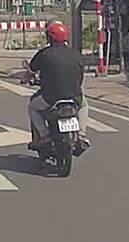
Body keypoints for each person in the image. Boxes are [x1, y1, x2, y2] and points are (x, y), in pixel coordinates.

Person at [26, 21, 89, 152]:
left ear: (49, 37)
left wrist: (25, 79)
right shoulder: (76, 54)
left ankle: (44, 135)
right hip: (74, 97)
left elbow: (30, 71)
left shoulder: (44, 54)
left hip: (51, 98)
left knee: (33, 108)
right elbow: (80, 75)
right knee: (84, 106)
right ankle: (82, 135)